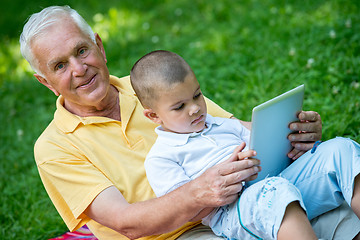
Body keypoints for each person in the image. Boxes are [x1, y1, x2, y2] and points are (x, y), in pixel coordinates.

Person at [19, 5, 360, 240]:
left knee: (334, 208)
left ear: (99, 46)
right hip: (176, 234)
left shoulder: (155, 87)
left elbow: (237, 130)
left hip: (247, 193)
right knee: (280, 205)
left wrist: (291, 134)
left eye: (81, 51)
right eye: (60, 66)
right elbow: (126, 224)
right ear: (45, 81)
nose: (79, 70)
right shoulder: (54, 148)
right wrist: (200, 193)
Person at [130, 50, 360, 239]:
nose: (195, 108)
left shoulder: (222, 125)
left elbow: (264, 150)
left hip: (276, 181)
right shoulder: (162, 157)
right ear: (153, 116)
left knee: (342, 149)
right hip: (231, 214)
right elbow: (189, 212)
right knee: (276, 192)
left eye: (197, 95)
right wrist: (230, 179)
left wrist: (289, 140)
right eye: (179, 106)